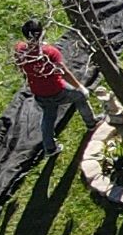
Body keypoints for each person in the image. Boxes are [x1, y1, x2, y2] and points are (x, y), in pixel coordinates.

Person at [13, 20, 92, 157]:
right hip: (57, 90)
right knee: (79, 97)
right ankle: (91, 123)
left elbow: (20, 68)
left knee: (48, 117)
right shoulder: (49, 52)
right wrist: (80, 87)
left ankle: (49, 148)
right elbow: (64, 72)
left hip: (39, 92)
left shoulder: (20, 50)